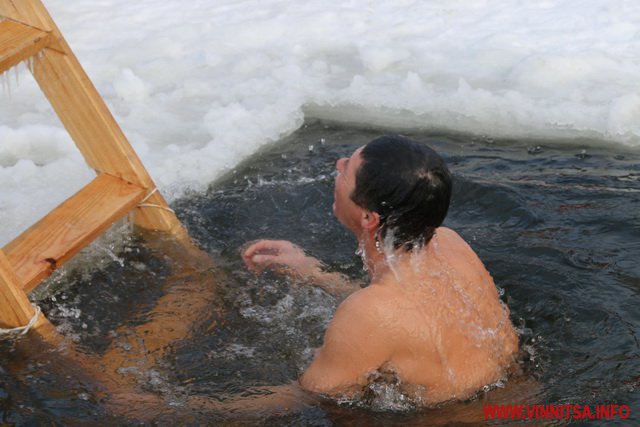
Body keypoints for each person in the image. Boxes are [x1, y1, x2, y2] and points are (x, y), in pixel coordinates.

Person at [243, 135, 518, 404]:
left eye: (345, 169)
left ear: (367, 217)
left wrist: (202, 408)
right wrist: (313, 272)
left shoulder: (366, 313)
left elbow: (307, 396)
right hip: (512, 401)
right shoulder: (449, 242)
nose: (338, 163)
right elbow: (405, 314)